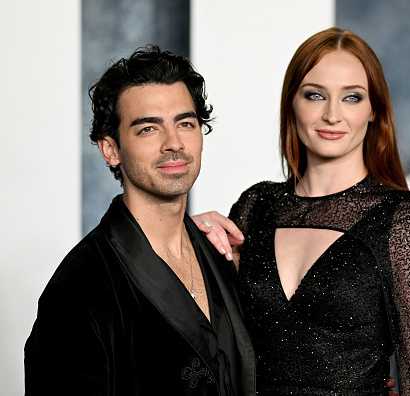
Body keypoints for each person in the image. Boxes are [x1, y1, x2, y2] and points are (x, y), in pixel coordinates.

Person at [194, 27, 410, 395]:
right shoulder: (256, 207)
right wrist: (186, 243)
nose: (332, 115)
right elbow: (209, 348)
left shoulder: (404, 220)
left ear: (373, 111)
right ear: (292, 104)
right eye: (315, 95)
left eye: (351, 97)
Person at [25, 46, 255, 396]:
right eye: (148, 129)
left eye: (186, 123)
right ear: (111, 149)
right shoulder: (79, 287)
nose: (173, 143)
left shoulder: (218, 255)